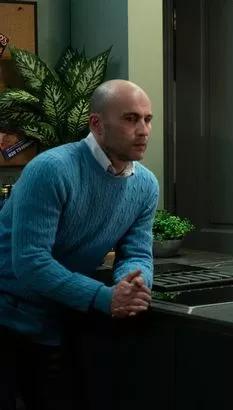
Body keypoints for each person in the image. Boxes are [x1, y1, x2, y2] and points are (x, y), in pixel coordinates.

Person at [0, 79, 159, 410]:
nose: (143, 130)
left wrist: (134, 282)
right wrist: (105, 298)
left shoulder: (146, 185)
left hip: (56, 320)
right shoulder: (51, 169)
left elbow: (137, 253)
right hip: (7, 316)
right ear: (97, 124)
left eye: (147, 119)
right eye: (131, 119)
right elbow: (30, 261)